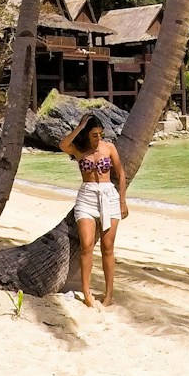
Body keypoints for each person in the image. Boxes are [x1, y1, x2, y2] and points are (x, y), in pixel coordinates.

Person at [59, 113, 128, 307]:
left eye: (100, 134)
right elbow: (63, 145)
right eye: (94, 134)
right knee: (87, 245)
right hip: (87, 197)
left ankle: (108, 294)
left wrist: (122, 201)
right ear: (86, 135)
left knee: (108, 248)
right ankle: (87, 292)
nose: (98, 138)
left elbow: (121, 174)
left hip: (109, 196)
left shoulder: (109, 148)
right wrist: (80, 127)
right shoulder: (79, 150)